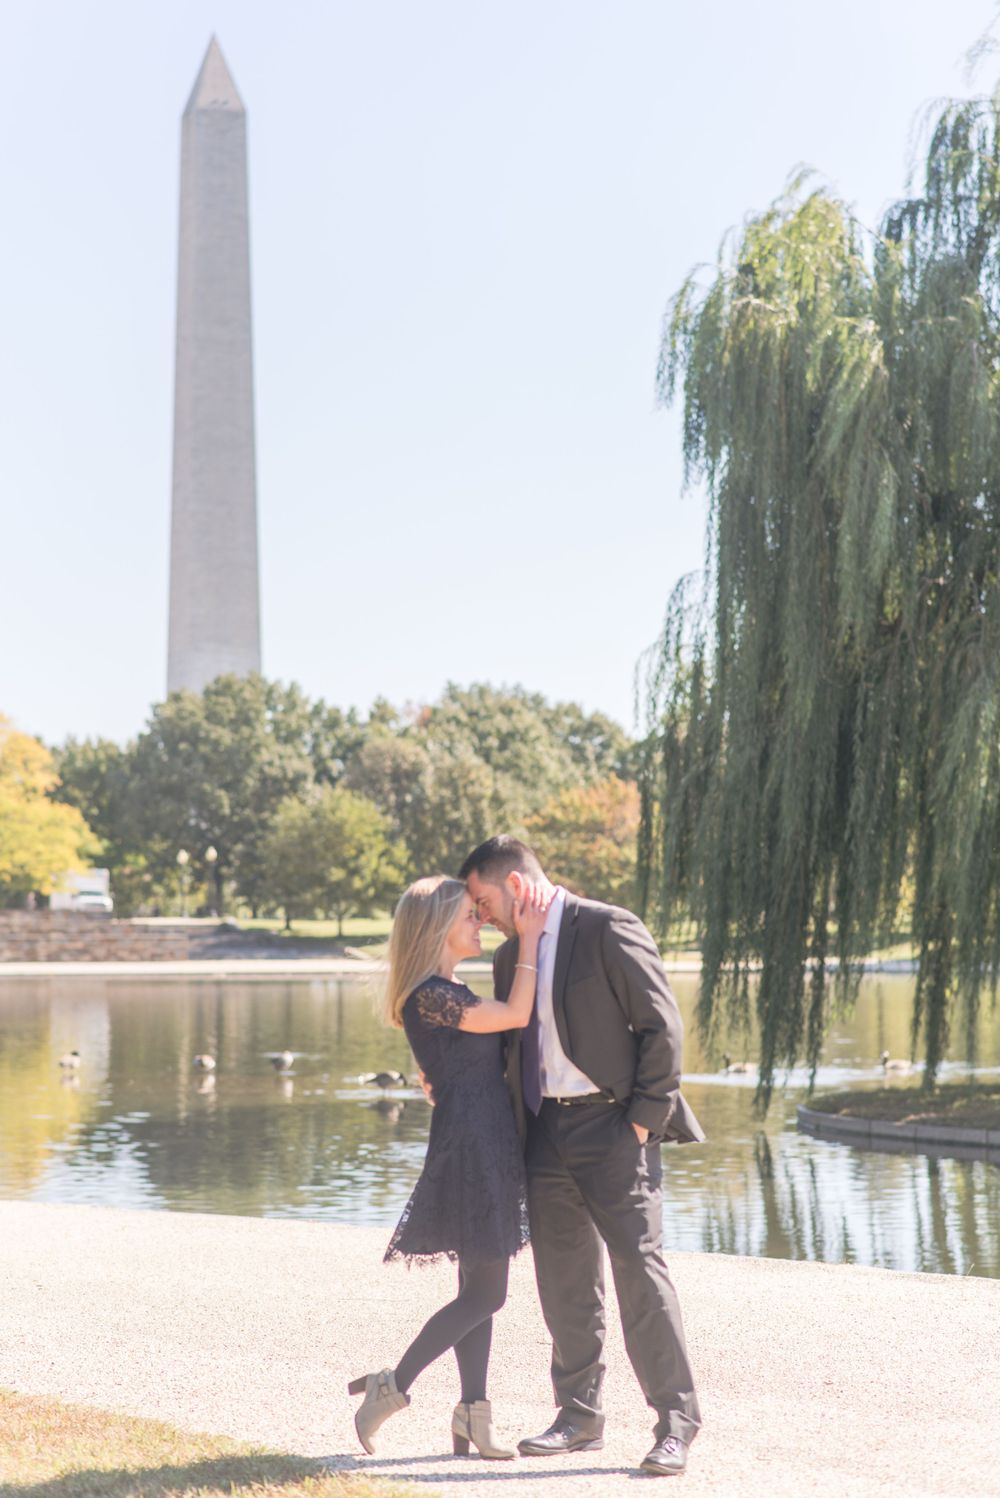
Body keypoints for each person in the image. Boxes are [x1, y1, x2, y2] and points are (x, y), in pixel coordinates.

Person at [460, 835, 705, 1479]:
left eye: (483, 902)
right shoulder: (511, 955)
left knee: (640, 1274)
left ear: (515, 885)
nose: (481, 916)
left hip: (616, 1127)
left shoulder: (607, 928)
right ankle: (578, 1417)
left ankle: (675, 1424)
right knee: (564, 1281)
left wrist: (643, 1123)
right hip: (544, 1132)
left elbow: (662, 1028)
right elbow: (510, 1046)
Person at [348, 873, 549, 1460]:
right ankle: (393, 1386)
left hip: (483, 1139)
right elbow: (516, 1013)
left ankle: (472, 1415)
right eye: (468, 915)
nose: (480, 921)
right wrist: (530, 938)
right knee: (487, 1295)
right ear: (437, 927)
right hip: (473, 1146)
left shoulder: (446, 989)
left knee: (476, 1287)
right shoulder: (431, 994)